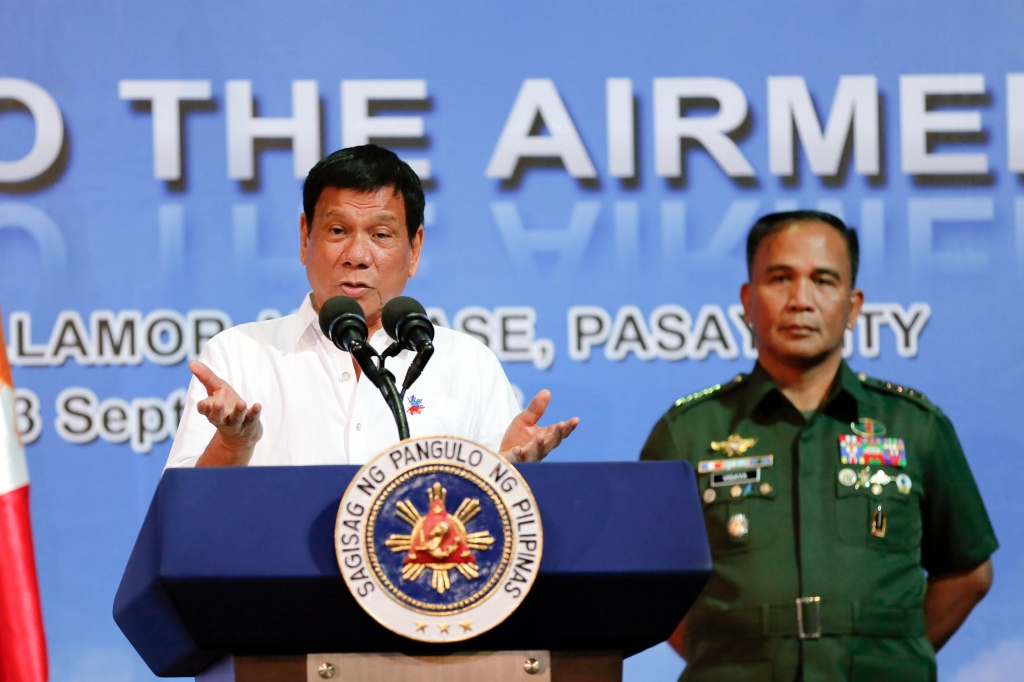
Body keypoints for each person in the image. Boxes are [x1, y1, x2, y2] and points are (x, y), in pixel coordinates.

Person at [640, 211, 996, 681]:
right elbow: (647, 582)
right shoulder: (687, 431)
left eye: (823, 280)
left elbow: (968, 574)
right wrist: (731, 647)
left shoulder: (915, 426)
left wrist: (888, 653)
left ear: (853, 306)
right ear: (748, 300)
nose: (800, 300)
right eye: (780, 278)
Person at [165, 144, 578, 469]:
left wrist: (502, 472)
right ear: (305, 236)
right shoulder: (239, 355)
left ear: (414, 248)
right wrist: (232, 443)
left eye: (381, 235)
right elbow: (185, 517)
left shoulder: (467, 365)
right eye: (338, 230)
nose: (357, 255)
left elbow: (494, 528)